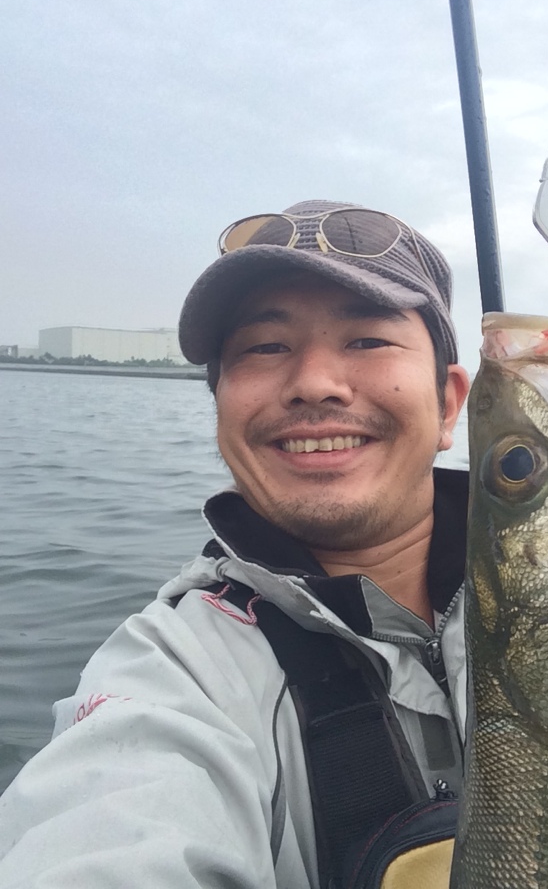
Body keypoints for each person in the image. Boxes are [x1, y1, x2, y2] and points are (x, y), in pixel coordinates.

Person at [0, 201, 471, 887]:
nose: (314, 384)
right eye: (265, 347)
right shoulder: (176, 672)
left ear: (449, 403)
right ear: (219, 405)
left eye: (368, 339)